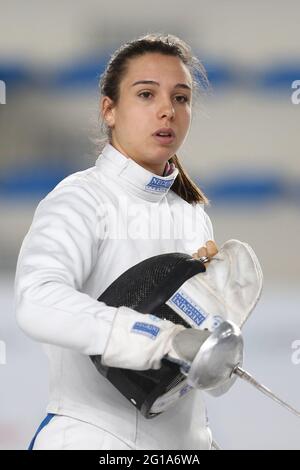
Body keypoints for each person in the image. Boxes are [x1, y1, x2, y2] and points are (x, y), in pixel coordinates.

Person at [14, 33, 219, 450]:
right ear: (109, 109)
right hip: (91, 437)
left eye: (181, 98)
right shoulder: (80, 199)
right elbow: (36, 298)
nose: (167, 110)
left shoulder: (192, 213)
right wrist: (146, 334)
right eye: (146, 94)